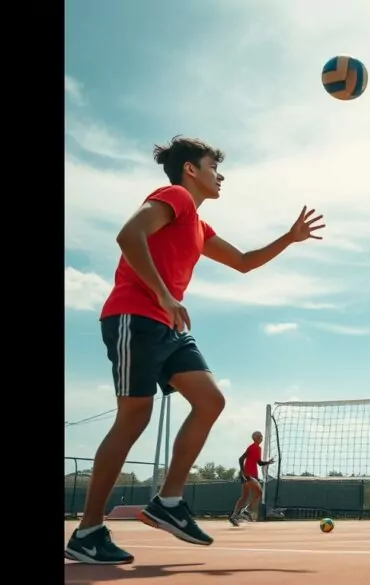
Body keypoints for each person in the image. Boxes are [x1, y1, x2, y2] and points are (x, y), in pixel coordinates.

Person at [63, 136, 326, 565]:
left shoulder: (199, 227)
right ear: (190, 170)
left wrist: (289, 238)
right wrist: (165, 295)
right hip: (136, 316)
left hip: (168, 325)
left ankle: (168, 500)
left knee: (210, 401)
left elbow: (243, 261)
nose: (219, 176)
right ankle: (88, 531)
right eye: (212, 167)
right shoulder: (175, 197)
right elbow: (129, 235)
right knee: (134, 418)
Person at [229, 431, 275, 526]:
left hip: (251, 475)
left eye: (261, 436)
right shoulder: (252, 447)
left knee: (244, 497)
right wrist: (243, 472)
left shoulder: (258, 448)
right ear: (254, 438)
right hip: (248, 474)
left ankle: (234, 516)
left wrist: (268, 462)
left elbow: (259, 462)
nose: (261, 438)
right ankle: (245, 511)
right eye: (259, 436)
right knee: (259, 492)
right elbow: (241, 459)